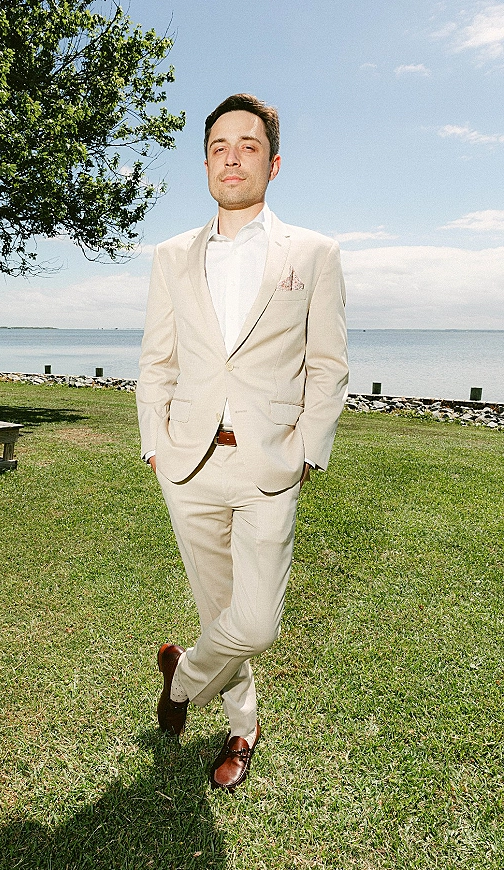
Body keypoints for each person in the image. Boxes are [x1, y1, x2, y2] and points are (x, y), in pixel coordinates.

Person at [136, 93, 348, 792]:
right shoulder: (170, 255)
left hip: (269, 464)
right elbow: (157, 360)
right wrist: (155, 443)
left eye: (248, 146)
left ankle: (181, 680)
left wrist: (308, 450)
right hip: (188, 463)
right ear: (205, 163)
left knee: (254, 624)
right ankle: (242, 724)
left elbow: (328, 364)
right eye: (219, 147)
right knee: (217, 607)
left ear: (273, 163)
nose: (232, 158)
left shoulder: (314, 253)